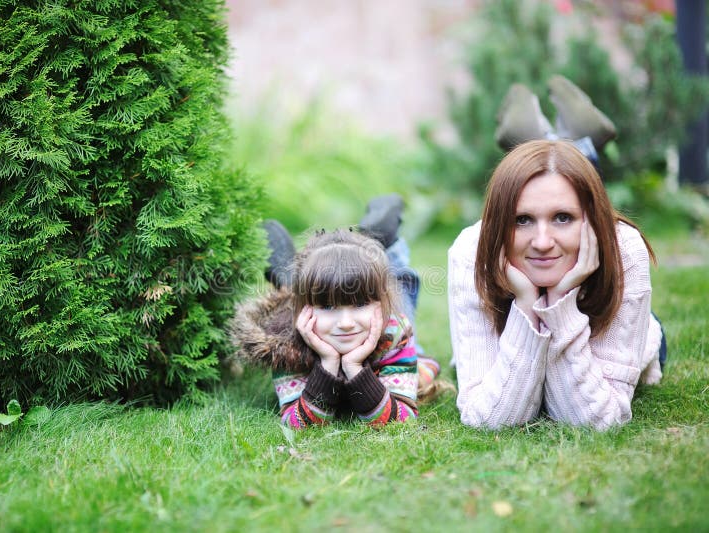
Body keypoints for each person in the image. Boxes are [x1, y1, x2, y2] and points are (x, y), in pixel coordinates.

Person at [447, 139, 664, 430]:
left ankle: (569, 137)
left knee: (651, 333)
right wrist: (526, 302)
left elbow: (599, 420)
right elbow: (488, 418)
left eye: (563, 218)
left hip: (613, 339)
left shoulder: (624, 250)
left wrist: (560, 300)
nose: (542, 242)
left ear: (591, 218)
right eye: (522, 220)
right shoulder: (472, 253)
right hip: (514, 341)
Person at [231, 197, 450, 429]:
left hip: (376, 315)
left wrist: (354, 367)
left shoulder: (393, 331)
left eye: (359, 305)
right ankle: (290, 281)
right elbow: (296, 423)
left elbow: (402, 419)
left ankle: (384, 243)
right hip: (307, 304)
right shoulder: (285, 343)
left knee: (395, 289)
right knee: (322, 288)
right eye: (327, 307)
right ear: (304, 311)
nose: (346, 323)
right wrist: (327, 363)